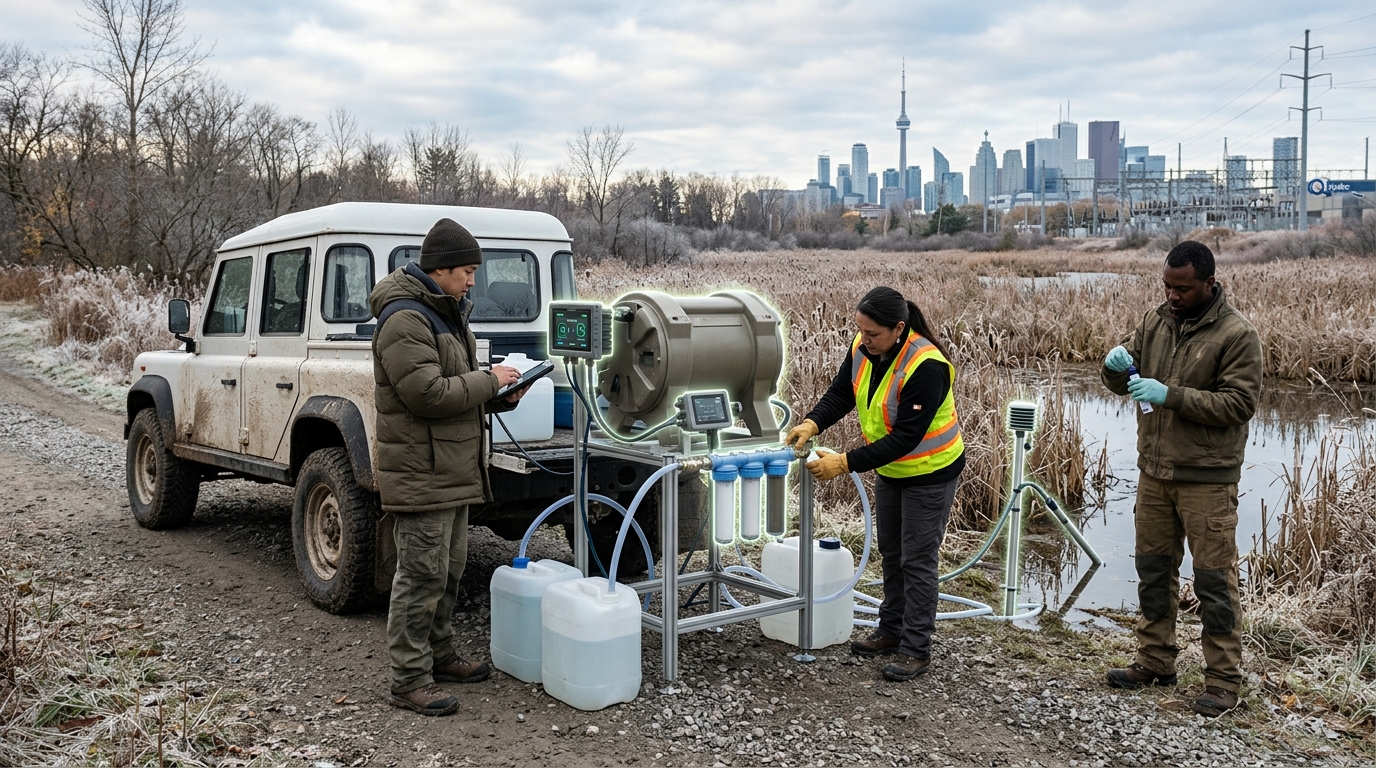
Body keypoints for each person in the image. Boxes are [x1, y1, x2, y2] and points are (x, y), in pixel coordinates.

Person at [369, 217, 527, 716]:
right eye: (467, 271)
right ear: (440, 269)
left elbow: (458, 387)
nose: (473, 281)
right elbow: (427, 394)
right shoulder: (404, 320)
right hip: (421, 473)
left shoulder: (445, 312)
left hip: (452, 470)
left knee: (448, 572)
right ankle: (408, 680)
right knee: (419, 577)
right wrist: (488, 379)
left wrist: (500, 394)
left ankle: (439, 657)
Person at [1101, 240, 1262, 718]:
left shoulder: (1237, 335)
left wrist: (1170, 394)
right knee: (1153, 570)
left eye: (1182, 288)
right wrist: (1113, 370)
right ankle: (1155, 660)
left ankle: (1223, 681)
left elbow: (1239, 405)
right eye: (1167, 286)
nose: (1172, 295)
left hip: (1207, 479)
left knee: (1213, 581)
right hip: (1155, 472)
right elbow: (1128, 374)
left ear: (1208, 284)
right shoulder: (1155, 321)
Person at [785, 286, 965, 682]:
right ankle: (890, 630)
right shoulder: (863, 348)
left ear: (898, 329)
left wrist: (845, 463)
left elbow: (906, 437)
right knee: (891, 551)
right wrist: (813, 422)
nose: (863, 340)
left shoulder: (927, 366)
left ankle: (916, 649)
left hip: (930, 471)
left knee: (917, 560)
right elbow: (841, 393)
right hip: (892, 471)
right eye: (860, 331)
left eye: (872, 334)